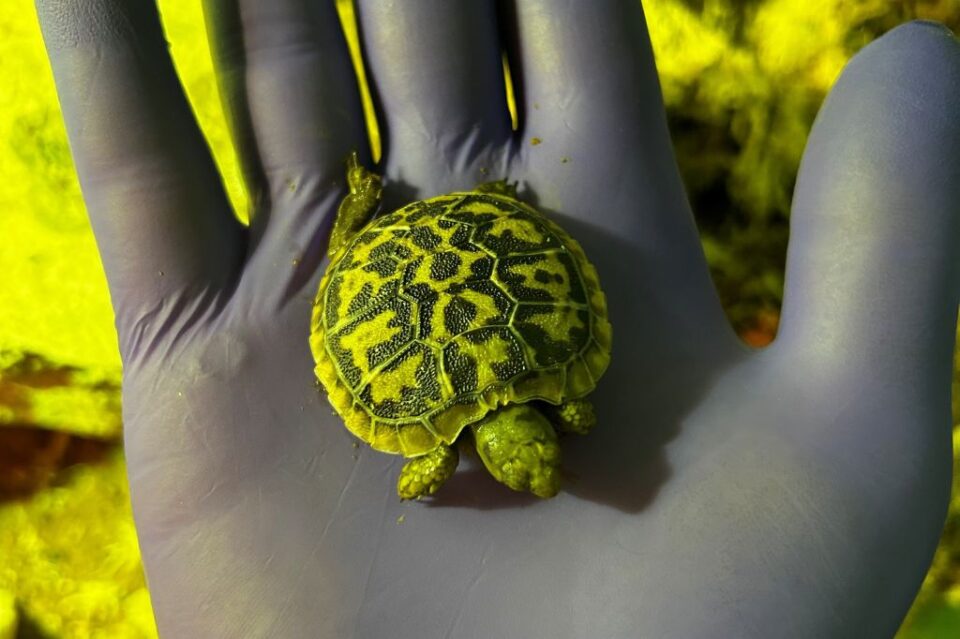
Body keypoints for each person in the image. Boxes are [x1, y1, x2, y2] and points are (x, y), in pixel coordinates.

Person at [35, 1, 960, 637]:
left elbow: (416, 473)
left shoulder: (516, 412)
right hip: (445, 261)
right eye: (533, 460)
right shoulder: (559, 386)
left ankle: (373, 217)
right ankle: (387, 217)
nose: (541, 469)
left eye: (529, 463)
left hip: (424, 271)